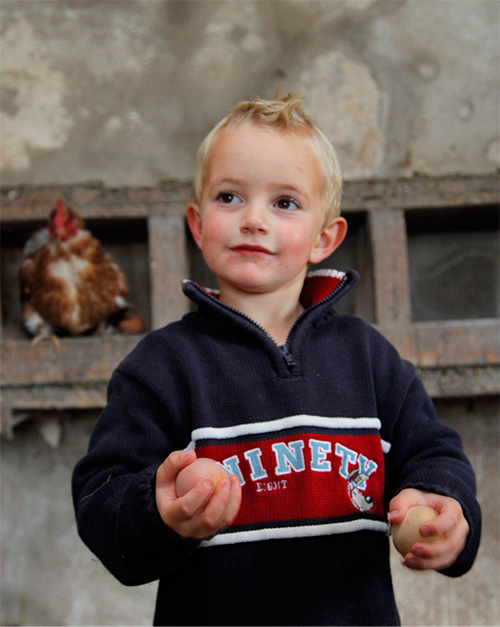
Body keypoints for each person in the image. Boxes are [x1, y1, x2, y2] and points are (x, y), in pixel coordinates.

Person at [72, 93, 481, 626]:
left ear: (324, 238)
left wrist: (444, 506)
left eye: (285, 203)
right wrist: (158, 509)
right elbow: (102, 501)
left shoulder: (367, 357)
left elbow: (434, 452)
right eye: (230, 197)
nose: (254, 220)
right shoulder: (162, 367)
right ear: (197, 224)